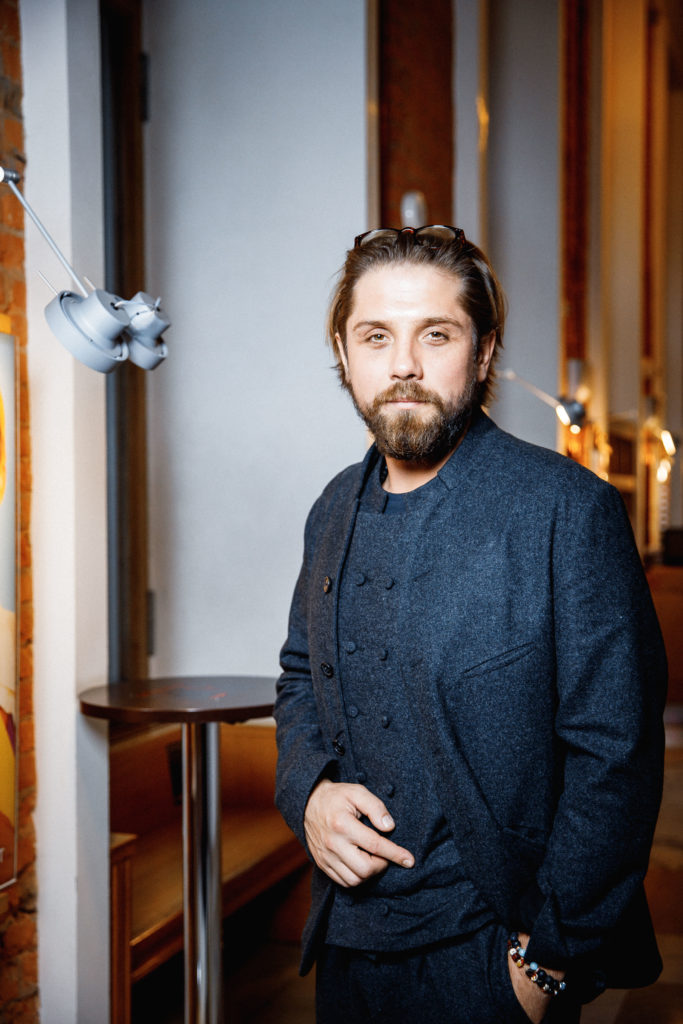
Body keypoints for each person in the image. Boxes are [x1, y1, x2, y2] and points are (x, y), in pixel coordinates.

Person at [273, 226, 667, 1023]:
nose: (403, 365)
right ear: (343, 354)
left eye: (436, 335)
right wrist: (307, 791)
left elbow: (615, 753)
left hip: (491, 955)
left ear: (482, 353)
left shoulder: (564, 510)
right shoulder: (332, 508)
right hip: (348, 942)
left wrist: (545, 963)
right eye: (375, 337)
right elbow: (298, 674)